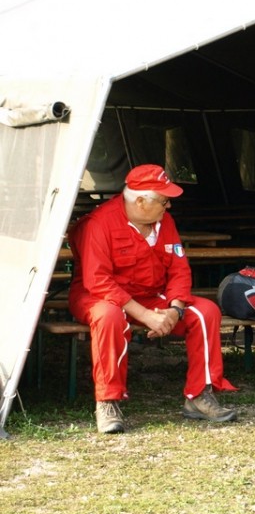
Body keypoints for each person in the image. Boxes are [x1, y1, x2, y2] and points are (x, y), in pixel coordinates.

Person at [68, 164, 238, 434]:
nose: (168, 206)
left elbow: (179, 269)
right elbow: (97, 281)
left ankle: (199, 395)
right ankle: (107, 401)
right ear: (139, 201)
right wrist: (145, 316)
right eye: (163, 200)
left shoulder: (164, 222)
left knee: (206, 312)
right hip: (99, 296)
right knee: (109, 317)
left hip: (150, 294)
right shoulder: (99, 224)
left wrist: (175, 309)